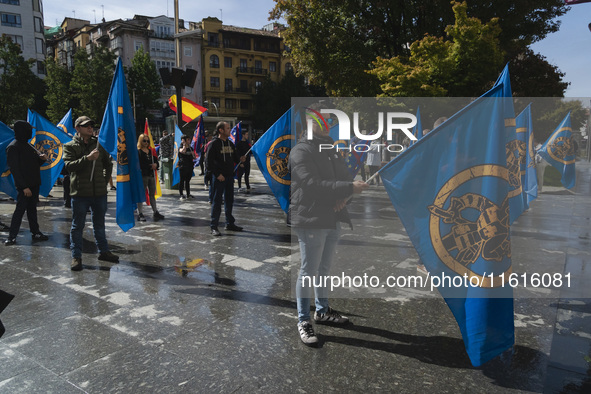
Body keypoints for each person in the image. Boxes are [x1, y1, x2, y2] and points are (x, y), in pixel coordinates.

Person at [289, 107, 369, 345]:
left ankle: (322, 311)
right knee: (308, 271)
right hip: (311, 218)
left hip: (333, 216)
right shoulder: (300, 150)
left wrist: (345, 196)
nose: (324, 125)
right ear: (308, 123)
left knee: (324, 269)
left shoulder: (331, 149)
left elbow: (345, 178)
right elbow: (312, 183)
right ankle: (303, 319)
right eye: (319, 121)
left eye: (327, 121)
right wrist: (345, 190)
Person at [63, 116, 119, 271]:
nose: (90, 127)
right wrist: (87, 159)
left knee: (99, 224)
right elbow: (69, 167)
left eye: (91, 125)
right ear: (77, 128)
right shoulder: (69, 146)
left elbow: (108, 164)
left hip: (99, 193)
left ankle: (104, 251)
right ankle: (76, 256)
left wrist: (103, 178)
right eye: (85, 125)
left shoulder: (99, 144)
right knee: (77, 226)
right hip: (80, 193)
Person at [4, 121, 49, 246]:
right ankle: (12, 236)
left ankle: (35, 232)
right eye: (29, 129)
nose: (31, 132)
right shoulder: (13, 147)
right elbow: (15, 170)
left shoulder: (28, 145)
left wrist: (41, 160)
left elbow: (34, 165)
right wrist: (24, 187)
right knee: (20, 210)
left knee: (32, 210)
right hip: (25, 186)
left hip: (34, 183)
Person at [206, 121, 245, 236]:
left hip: (229, 177)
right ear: (221, 130)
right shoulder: (213, 144)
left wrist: (240, 160)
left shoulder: (230, 143)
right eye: (227, 128)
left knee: (229, 201)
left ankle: (230, 223)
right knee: (217, 202)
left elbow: (235, 157)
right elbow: (208, 162)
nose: (229, 130)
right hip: (219, 178)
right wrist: (218, 174)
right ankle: (214, 227)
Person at [136, 134, 164, 222]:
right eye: (144, 141)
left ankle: (155, 211)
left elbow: (156, 161)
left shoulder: (151, 151)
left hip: (151, 176)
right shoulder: (138, 152)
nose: (146, 142)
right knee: (141, 195)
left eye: (147, 141)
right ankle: (140, 213)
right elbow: (138, 165)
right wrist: (149, 166)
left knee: (152, 194)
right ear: (140, 141)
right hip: (143, 176)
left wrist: (156, 165)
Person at [178, 134, 195, 200]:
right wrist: (184, 144)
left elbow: (193, 156)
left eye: (189, 139)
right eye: (188, 139)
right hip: (183, 166)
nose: (189, 141)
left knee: (188, 181)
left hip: (190, 166)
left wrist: (193, 155)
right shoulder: (180, 148)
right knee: (182, 180)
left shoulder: (191, 148)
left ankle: (188, 194)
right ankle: (181, 194)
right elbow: (183, 151)